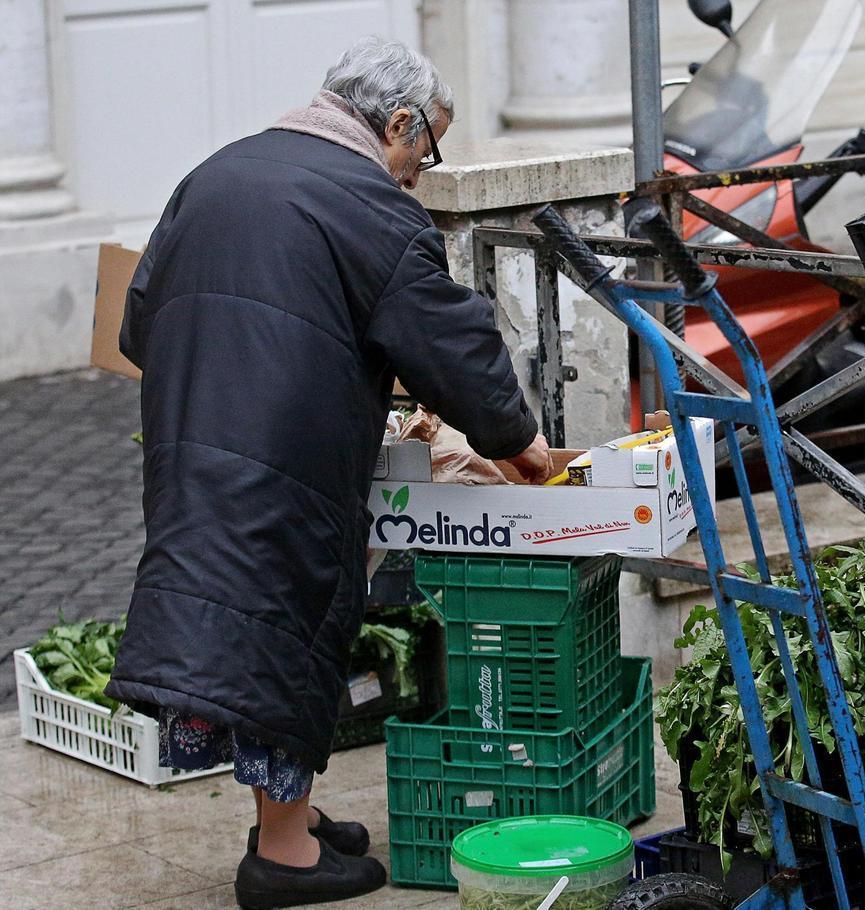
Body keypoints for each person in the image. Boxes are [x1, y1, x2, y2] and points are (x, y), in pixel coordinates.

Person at [105, 36, 550, 909]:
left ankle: (293, 821)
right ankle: (283, 861)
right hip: (288, 461)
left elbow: (139, 325)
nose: (421, 172)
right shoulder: (370, 208)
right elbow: (451, 343)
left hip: (193, 442)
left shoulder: (220, 172)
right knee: (286, 629)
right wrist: (519, 443)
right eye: (427, 149)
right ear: (396, 123)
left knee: (239, 618)